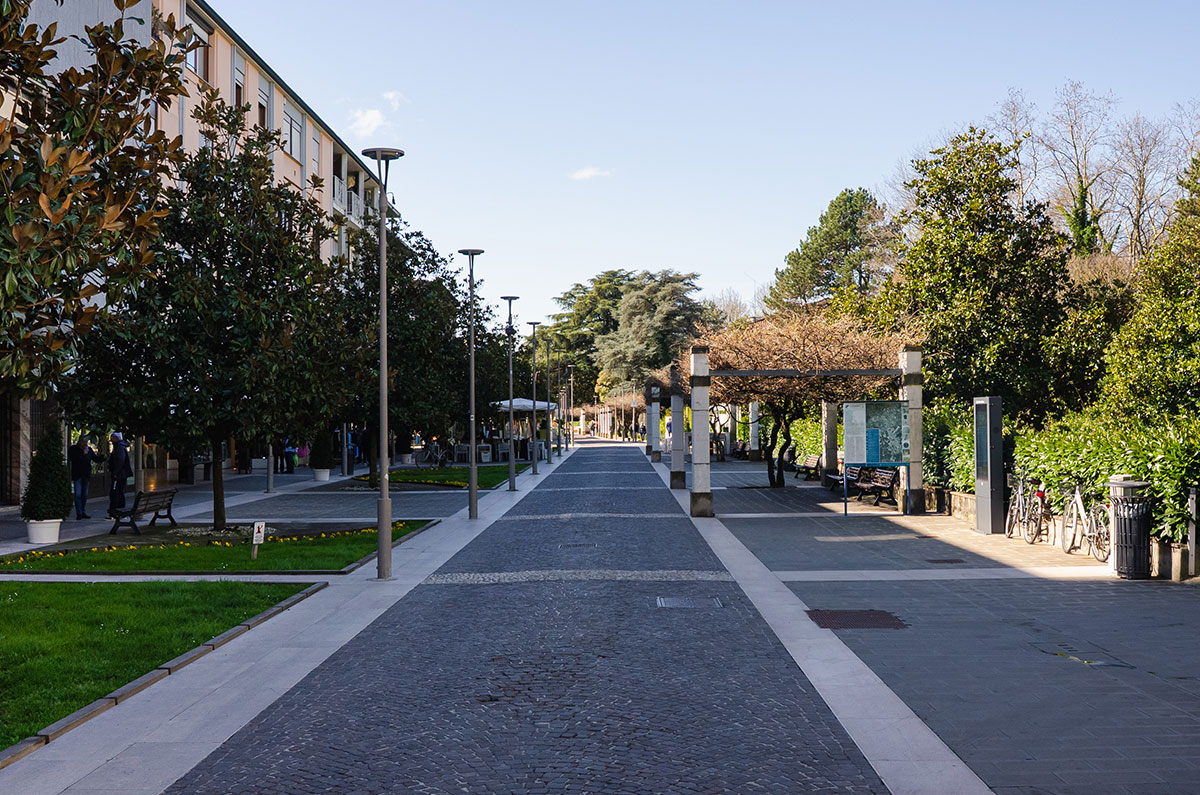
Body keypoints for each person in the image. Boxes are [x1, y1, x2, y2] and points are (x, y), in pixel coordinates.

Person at [68, 436, 103, 520]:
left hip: (86, 474)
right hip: (77, 475)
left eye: (86, 442)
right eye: (84, 442)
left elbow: (95, 459)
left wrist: (103, 457)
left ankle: (83, 511)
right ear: (79, 441)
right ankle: (79, 513)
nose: (85, 444)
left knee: (84, 494)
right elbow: (73, 459)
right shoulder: (73, 449)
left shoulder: (89, 450)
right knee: (78, 494)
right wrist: (83, 454)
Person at [107, 432, 133, 518]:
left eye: (112, 437)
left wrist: (115, 472)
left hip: (119, 475)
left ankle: (115, 511)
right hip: (120, 475)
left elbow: (119, 461)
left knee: (116, 493)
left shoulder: (119, 448)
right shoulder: (119, 447)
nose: (111, 440)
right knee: (119, 492)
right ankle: (119, 511)